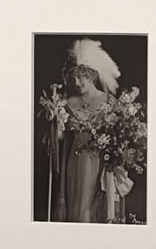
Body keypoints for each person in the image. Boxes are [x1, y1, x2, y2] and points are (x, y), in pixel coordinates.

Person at [39, 39, 139, 223]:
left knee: (93, 207)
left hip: (100, 163)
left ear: (91, 74)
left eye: (82, 76)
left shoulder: (109, 101)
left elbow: (120, 136)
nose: (77, 82)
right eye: (73, 77)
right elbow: (60, 139)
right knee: (76, 204)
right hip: (74, 161)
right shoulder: (67, 103)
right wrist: (55, 121)